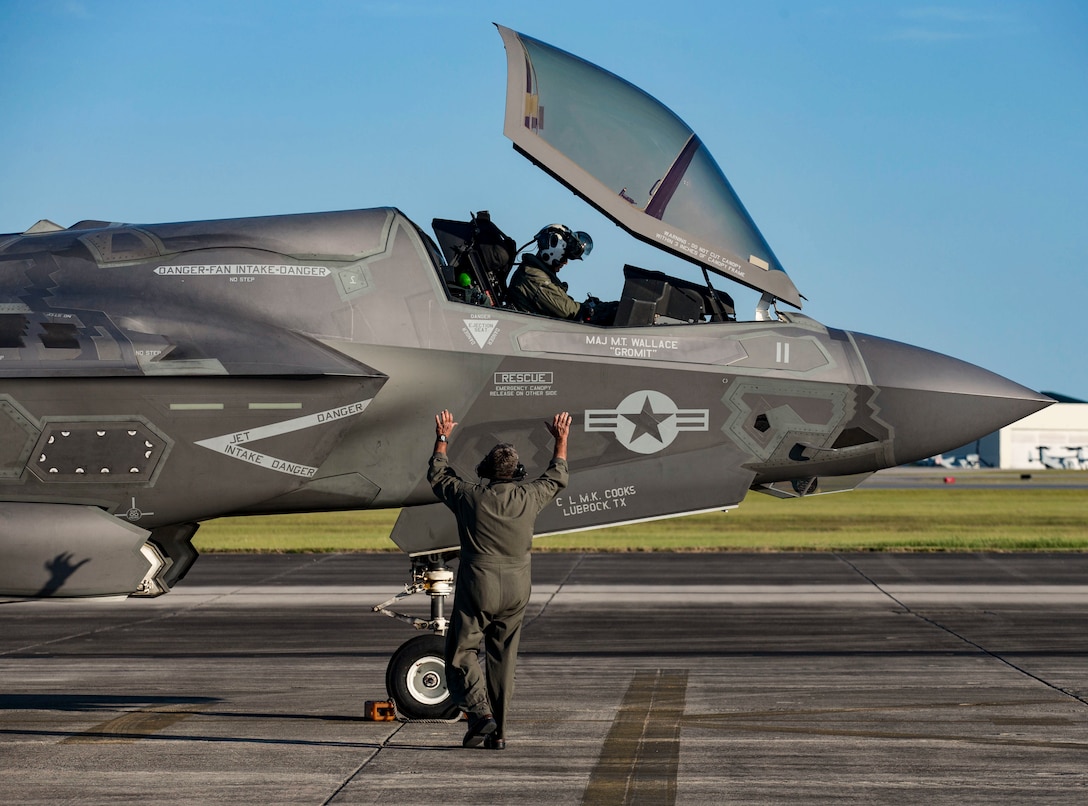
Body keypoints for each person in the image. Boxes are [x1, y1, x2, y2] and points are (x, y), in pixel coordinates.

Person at [428, 409, 571, 750]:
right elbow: (557, 475)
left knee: (461, 654)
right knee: (503, 661)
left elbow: (437, 474)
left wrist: (443, 437)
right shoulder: (530, 496)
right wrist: (561, 440)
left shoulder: (469, 496)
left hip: (480, 584)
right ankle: (500, 733)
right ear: (517, 473)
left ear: (485, 472)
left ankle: (480, 715)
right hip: (518, 588)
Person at [507, 224, 616, 325]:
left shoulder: (535, 274)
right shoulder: (534, 277)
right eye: (564, 258)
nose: (565, 262)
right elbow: (571, 312)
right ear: (552, 253)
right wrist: (613, 309)